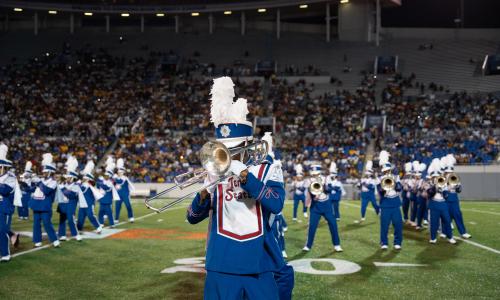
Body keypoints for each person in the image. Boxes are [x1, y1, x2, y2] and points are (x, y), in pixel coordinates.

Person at [186, 77, 293, 299]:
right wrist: (206, 191)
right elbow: (192, 217)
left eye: (233, 149)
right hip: (220, 263)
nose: (228, 153)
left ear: (246, 144)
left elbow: (276, 203)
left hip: (258, 265)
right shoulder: (214, 171)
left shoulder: (267, 169)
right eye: (224, 149)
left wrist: (245, 176)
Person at [303, 163, 343, 253]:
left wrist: (324, 186)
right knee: (312, 226)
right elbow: (309, 193)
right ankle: (308, 245)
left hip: (326, 205)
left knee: (333, 224)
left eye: (316, 172)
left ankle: (337, 245)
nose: (314, 174)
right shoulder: (308, 180)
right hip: (315, 206)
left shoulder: (326, 178)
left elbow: (329, 189)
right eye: (313, 172)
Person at [29, 153, 60, 248]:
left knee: (47, 223)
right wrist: (26, 182)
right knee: (36, 223)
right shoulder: (41, 180)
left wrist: (38, 181)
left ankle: (54, 239)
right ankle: (37, 240)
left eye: (46, 172)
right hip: (36, 204)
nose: (44, 173)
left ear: (50, 172)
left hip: (45, 206)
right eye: (44, 171)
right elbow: (30, 189)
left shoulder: (54, 182)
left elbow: (46, 190)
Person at [0, 144, 22, 262]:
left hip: (5, 208)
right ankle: (13, 235)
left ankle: (5, 254)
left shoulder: (11, 177)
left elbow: (4, 190)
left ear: (3, 166)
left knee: (1, 230)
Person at [377, 151, 403, 250]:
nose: (387, 172)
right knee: (385, 225)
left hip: (395, 203)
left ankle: (397, 242)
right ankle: (384, 242)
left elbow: (399, 188)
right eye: (385, 171)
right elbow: (380, 191)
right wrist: (384, 187)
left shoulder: (396, 177)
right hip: (385, 204)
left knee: (398, 224)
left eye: (388, 170)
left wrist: (395, 182)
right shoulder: (379, 178)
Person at [426, 158, 456, 244]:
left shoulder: (444, 183)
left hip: (443, 204)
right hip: (434, 204)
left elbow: (446, 195)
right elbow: (429, 194)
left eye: (437, 176)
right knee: (434, 222)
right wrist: (435, 188)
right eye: (434, 177)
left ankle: (450, 237)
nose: (436, 178)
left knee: (447, 221)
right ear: (432, 177)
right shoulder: (429, 183)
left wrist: (442, 190)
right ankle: (433, 238)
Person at [442, 154, 471, 239]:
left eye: (451, 171)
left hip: (454, 198)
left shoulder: (455, 177)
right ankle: (444, 232)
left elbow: (459, 189)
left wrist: (457, 187)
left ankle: (463, 232)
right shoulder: (442, 178)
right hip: (446, 198)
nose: (450, 173)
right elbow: (441, 189)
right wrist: (447, 185)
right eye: (448, 171)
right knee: (446, 216)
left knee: (457, 215)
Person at [58, 156, 85, 242]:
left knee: (70, 219)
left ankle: (76, 234)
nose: (67, 178)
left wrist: (62, 188)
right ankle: (61, 235)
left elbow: (71, 195)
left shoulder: (76, 185)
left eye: (69, 177)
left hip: (71, 203)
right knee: (62, 219)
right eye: (67, 177)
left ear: (73, 177)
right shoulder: (63, 183)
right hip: (63, 203)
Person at [77, 160, 103, 233]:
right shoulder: (81, 184)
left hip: (89, 203)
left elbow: (83, 189)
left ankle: (98, 227)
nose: (83, 178)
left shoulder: (89, 185)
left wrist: (80, 183)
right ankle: (79, 228)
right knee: (80, 217)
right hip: (82, 203)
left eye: (85, 177)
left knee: (90, 215)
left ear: (88, 178)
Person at [96, 156, 119, 227]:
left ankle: (112, 224)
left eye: (107, 176)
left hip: (108, 199)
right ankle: (101, 223)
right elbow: (97, 186)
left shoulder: (111, 182)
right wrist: (98, 182)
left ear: (109, 176)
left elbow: (107, 188)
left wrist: (100, 184)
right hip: (102, 199)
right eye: (105, 175)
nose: (105, 176)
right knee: (100, 212)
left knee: (109, 212)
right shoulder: (102, 180)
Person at [114, 158, 135, 223]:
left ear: (123, 172)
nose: (120, 173)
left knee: (128, 206)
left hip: (125, 194)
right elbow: (113, 185)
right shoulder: (115, 178)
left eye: (121, 172)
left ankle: (131, 217)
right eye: (119, 172)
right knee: (117, 207)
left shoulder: (125, 178)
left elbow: (131, 185)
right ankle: (116, 218)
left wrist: (133, 191)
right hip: (118, 195)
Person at [415, 162, 428, 230]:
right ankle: (418, 224)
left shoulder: (423, 179)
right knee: (420, 210)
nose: (418, 176)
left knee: (425, 209)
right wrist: (422, 187)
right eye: (417, 175)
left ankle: (424, 220)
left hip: (426, 197)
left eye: (419, 175)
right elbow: (418, 189)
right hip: (420, 197)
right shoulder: (418, 181)